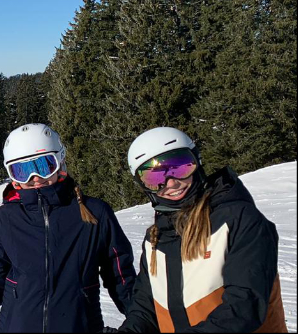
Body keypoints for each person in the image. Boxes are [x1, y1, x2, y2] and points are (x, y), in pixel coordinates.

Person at [0, 124, 136, 333]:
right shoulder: (6, 218)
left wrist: (141, 322)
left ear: (60, 162)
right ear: (13, 176)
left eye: (44, 165)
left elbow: (121, 278)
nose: (35, 178)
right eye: (22, 171)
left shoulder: (94, 213)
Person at [106, 127, 286, 333]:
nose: (171, 183)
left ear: (197, 162)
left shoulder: (239, 220)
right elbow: (145, 309)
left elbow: (244, 305)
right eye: (155, 179)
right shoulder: (155, 239)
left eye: (179, 168)